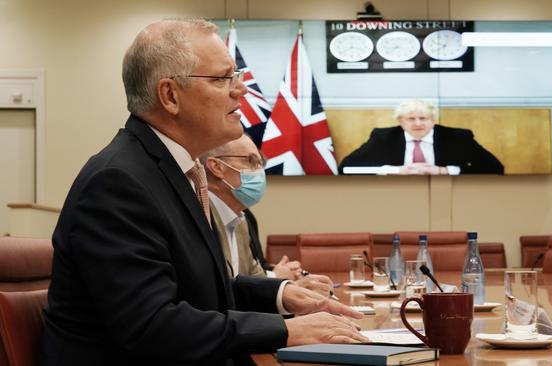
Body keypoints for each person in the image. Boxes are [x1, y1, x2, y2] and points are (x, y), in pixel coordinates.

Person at [40, 19, 366, 366]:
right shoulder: (119, 182)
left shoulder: (174, 170)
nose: (241, 90)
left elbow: (203, 291)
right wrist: (288, 330)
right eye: (222, 78)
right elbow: (153, 325)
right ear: (170, 96)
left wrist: (283, 295)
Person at [200, 134, 333, 296]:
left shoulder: (240, 220)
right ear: (217, 167)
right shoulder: (199, 217)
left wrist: (294, 288)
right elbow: (215, 294)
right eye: (251, 161)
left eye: (260, 163)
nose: (260, 171)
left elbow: (254, 278)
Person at [339, 99, 504, 175]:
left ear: (433, 121)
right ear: (401, 122)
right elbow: (346, 168)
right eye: (411, 119)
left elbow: (495, 168)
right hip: (393, 196)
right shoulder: (383, 137)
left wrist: (445, 171)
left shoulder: (457, 137)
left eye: (423, 118)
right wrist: (394, 171)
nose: (418, 124)